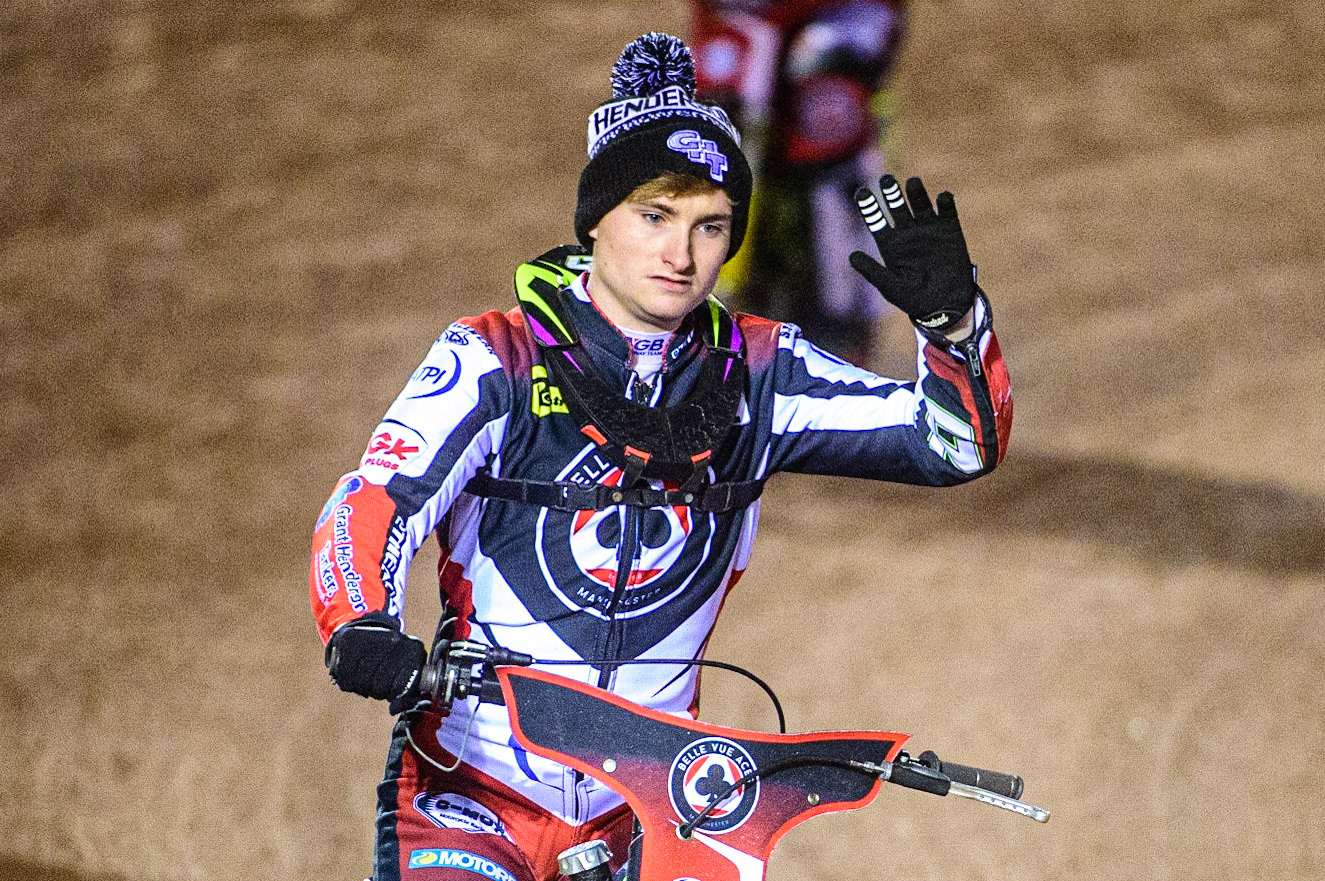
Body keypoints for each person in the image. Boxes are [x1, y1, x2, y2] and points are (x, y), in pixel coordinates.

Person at [310, 32, 1011, 881]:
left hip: (653, 813)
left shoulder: (762, 371)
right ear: (597, 218)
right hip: (467, 792)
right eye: (653, 216)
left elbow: (955, 442)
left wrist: (956, 328)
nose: (680, 255)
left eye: (709, 225)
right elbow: (374, 498)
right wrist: (361, 621)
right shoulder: (494, 357)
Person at [687, 0, 909, 363]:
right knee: (719, 133)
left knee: (829, 127)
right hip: (740, 11)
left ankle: (841, 331)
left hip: (841, 12)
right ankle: (698, 311)